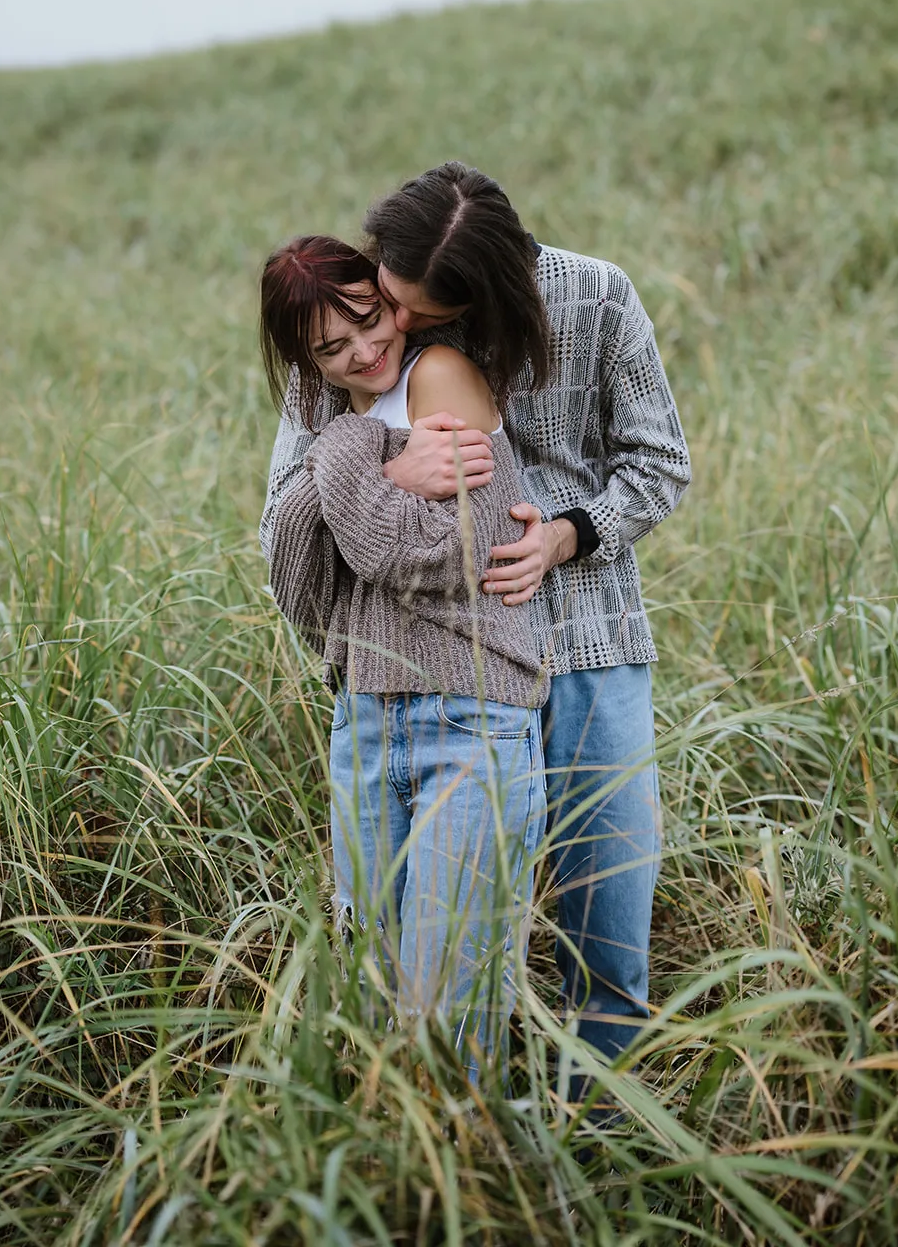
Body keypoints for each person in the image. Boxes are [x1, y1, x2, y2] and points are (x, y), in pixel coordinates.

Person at [260, 163, 692, 1101]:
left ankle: (597, 1138)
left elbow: (659, 462)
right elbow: (283, 521)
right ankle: (440, 1133)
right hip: (425, 668)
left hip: (586, 643)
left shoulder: (594, 294)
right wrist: (375, 457)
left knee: (605, 922)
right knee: (419, 944)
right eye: (392, 300)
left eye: (415, 313)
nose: (395, 328)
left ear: (489, 292)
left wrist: (566, 537)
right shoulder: (349, 326)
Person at [259, 233, 549, 1080]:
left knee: (450, 1006)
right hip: (363, 720)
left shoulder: (438, 374)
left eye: (367, 317)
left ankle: (473, 1187)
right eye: (331, 348)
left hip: (467, 718)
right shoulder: (332, 418)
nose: (363, 350)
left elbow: (449, 553)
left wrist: (345, 470)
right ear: (304, 363)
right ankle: (399, 1195)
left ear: (386, 293)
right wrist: (370, 466)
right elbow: (293, 574)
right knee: (372, 992)